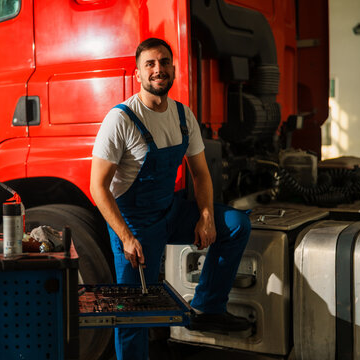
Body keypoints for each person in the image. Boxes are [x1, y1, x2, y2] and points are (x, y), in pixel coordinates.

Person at [90, 37, 252, 360]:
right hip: (135, 225)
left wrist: (206, 215)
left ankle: (207, 307)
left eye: (164, 62)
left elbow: (201, 174)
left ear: (173, 69)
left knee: (235, 224)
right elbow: (98, 188)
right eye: (149, 64)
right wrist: (125, 237)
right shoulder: (120, 120)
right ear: (137, 74)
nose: (158, 69)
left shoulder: (182, 115)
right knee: (133, 312)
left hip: (171, 211)